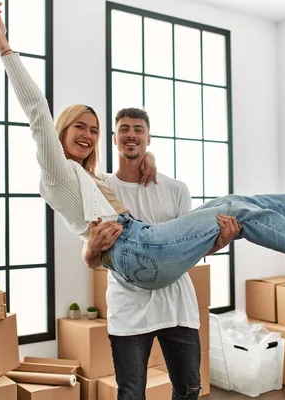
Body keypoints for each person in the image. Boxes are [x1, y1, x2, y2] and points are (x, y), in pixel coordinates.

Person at [0, 1, 285, 292]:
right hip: (136, 249)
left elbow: (125, 183)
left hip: (144, 245)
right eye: (79, 127)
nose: (87, 135)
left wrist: (148, 158)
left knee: (236, 202)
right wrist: (3, 45)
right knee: (234, 205)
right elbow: (36, 110)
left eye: (94, 130)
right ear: (61, 131)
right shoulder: (55, 171)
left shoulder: (90, 178)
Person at [83, 107, 240, 399]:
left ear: (148, 138)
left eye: (138, 129)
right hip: (128, 310)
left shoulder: (176, 189)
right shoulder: (102, 188)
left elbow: (192, 249)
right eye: (125, 129)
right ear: (115, 138)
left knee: (189, 390)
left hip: (177, 306)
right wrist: (90, 249)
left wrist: (221, 241)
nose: (131, 135)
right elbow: (93, 260)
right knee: (130, 394)